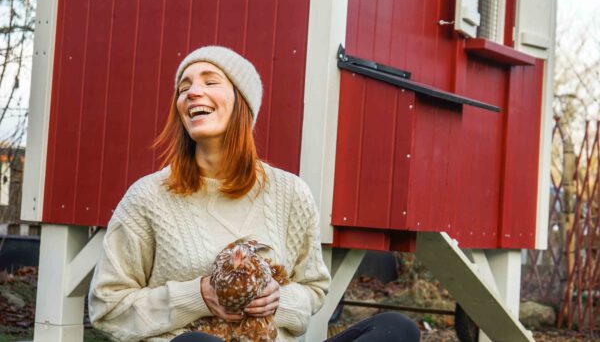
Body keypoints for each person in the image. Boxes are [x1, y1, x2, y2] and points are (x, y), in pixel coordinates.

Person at [88, 46, 420, 342]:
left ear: (242, 101)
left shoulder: (289, 193)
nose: (192, 93)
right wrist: (195, 297)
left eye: (210, 81)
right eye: (184, 87)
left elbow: (314, 289)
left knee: (396, 329)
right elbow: (108, 306)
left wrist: (281, 300)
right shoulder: (149, 198)